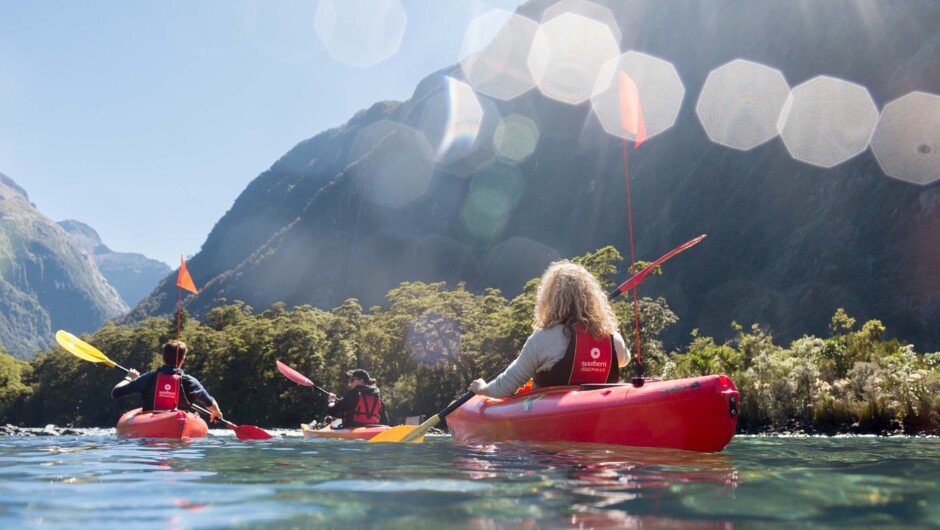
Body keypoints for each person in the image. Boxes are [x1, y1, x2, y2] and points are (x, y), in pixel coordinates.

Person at [469, 261, 630, 398]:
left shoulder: (542, 340)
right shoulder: (612, 339)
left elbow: (504, 388)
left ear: (550, 300)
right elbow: (624, 360)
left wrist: (482, 388)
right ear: (592, 298)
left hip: (551, 419)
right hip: (597, 413)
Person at [111, 339, 223, 422]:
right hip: (179, 424)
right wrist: (216, 412)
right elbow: (210, 402)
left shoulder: (148, 378)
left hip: (151, 423)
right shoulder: (191, 382)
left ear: (163, 358)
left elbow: (116, 393)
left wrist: (129, 378)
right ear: (182, 360)